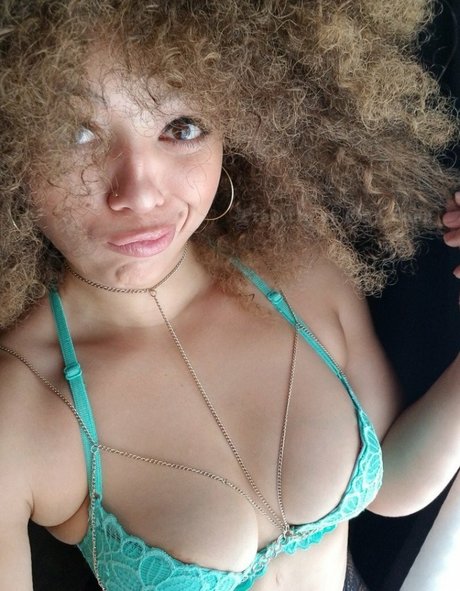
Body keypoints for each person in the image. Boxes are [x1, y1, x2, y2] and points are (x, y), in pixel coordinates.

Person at [0, 1, 459, 590]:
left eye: (181, 128)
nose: (140, 193)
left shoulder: (300, 273)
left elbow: (388, 483)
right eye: (76, 134)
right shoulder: (23, 404)